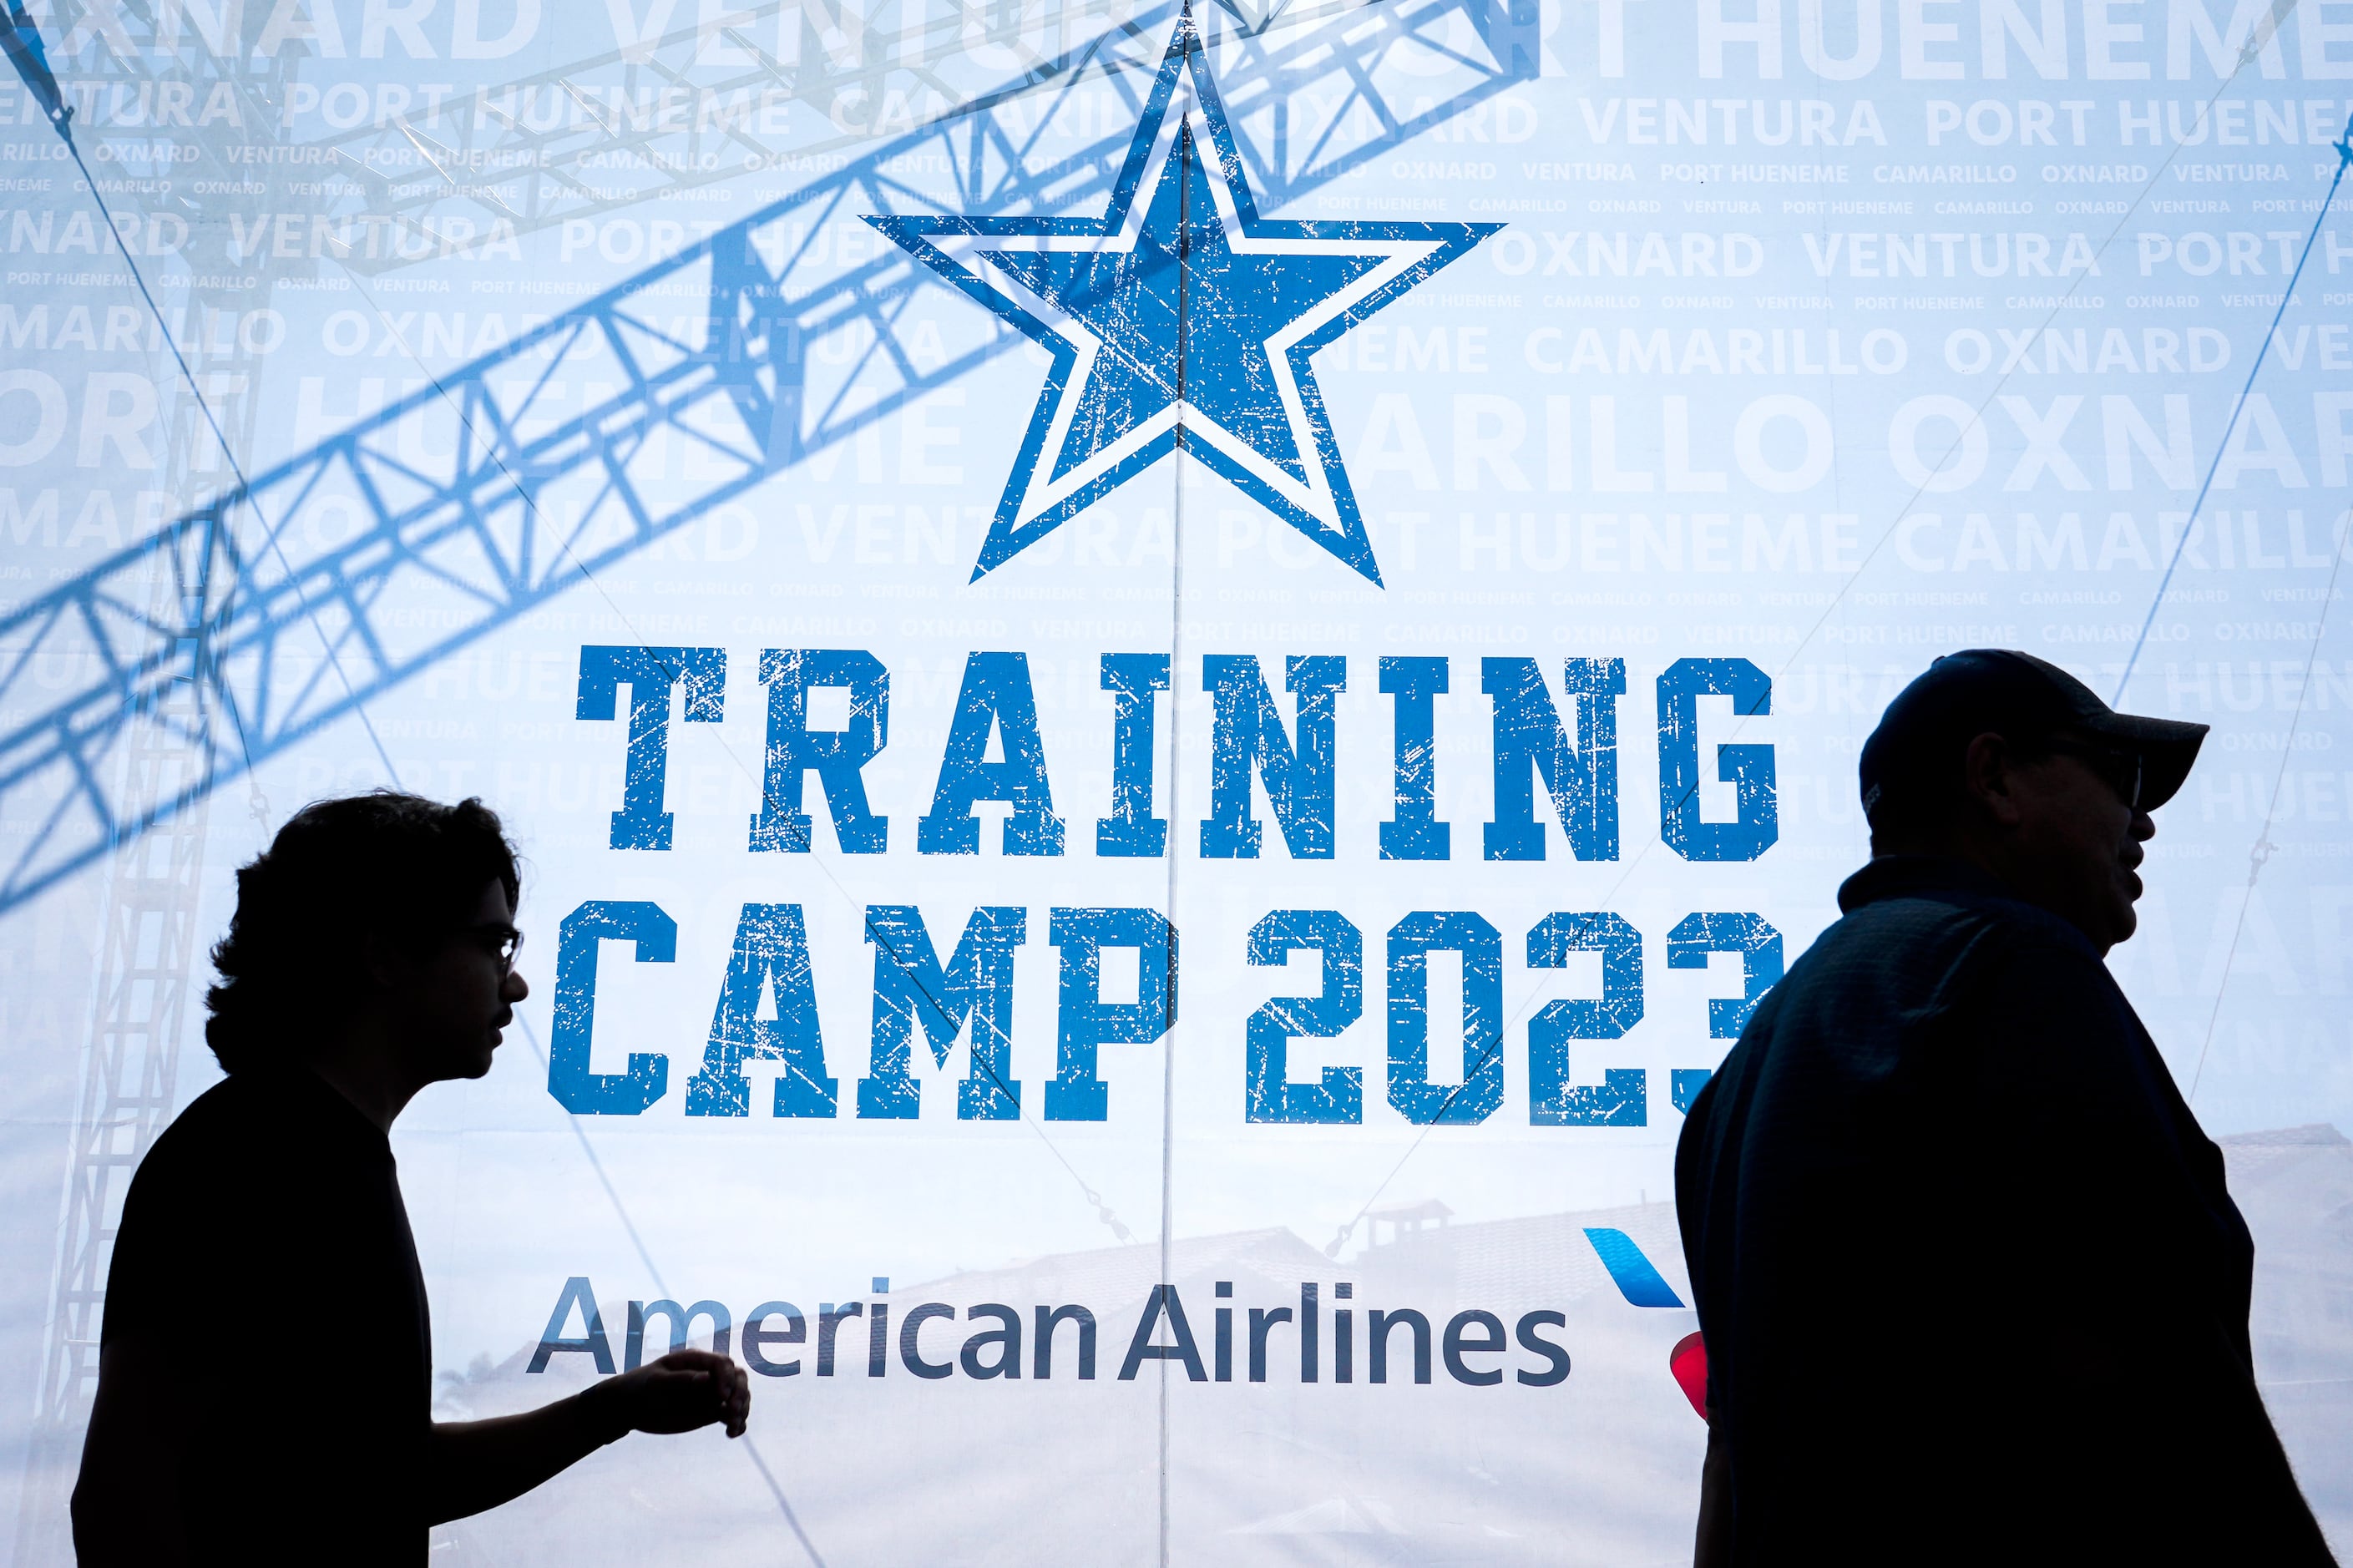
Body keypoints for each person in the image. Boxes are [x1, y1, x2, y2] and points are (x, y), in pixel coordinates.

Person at [1674, 650, 2336, 1567]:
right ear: (1993, 778)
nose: (2141, 821)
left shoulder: (1735, 1087)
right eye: (2120, 776)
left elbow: (1729, 1464)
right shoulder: (2009, 968)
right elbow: (2157, 1369)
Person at [73, 792, 751, 1566]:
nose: (517, 985)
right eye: (493, 945)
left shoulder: (315, 1155)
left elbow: (384, 1476)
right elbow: (125, 1489)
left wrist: (610, 1409)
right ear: (385, 951)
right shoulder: (249, 1159)